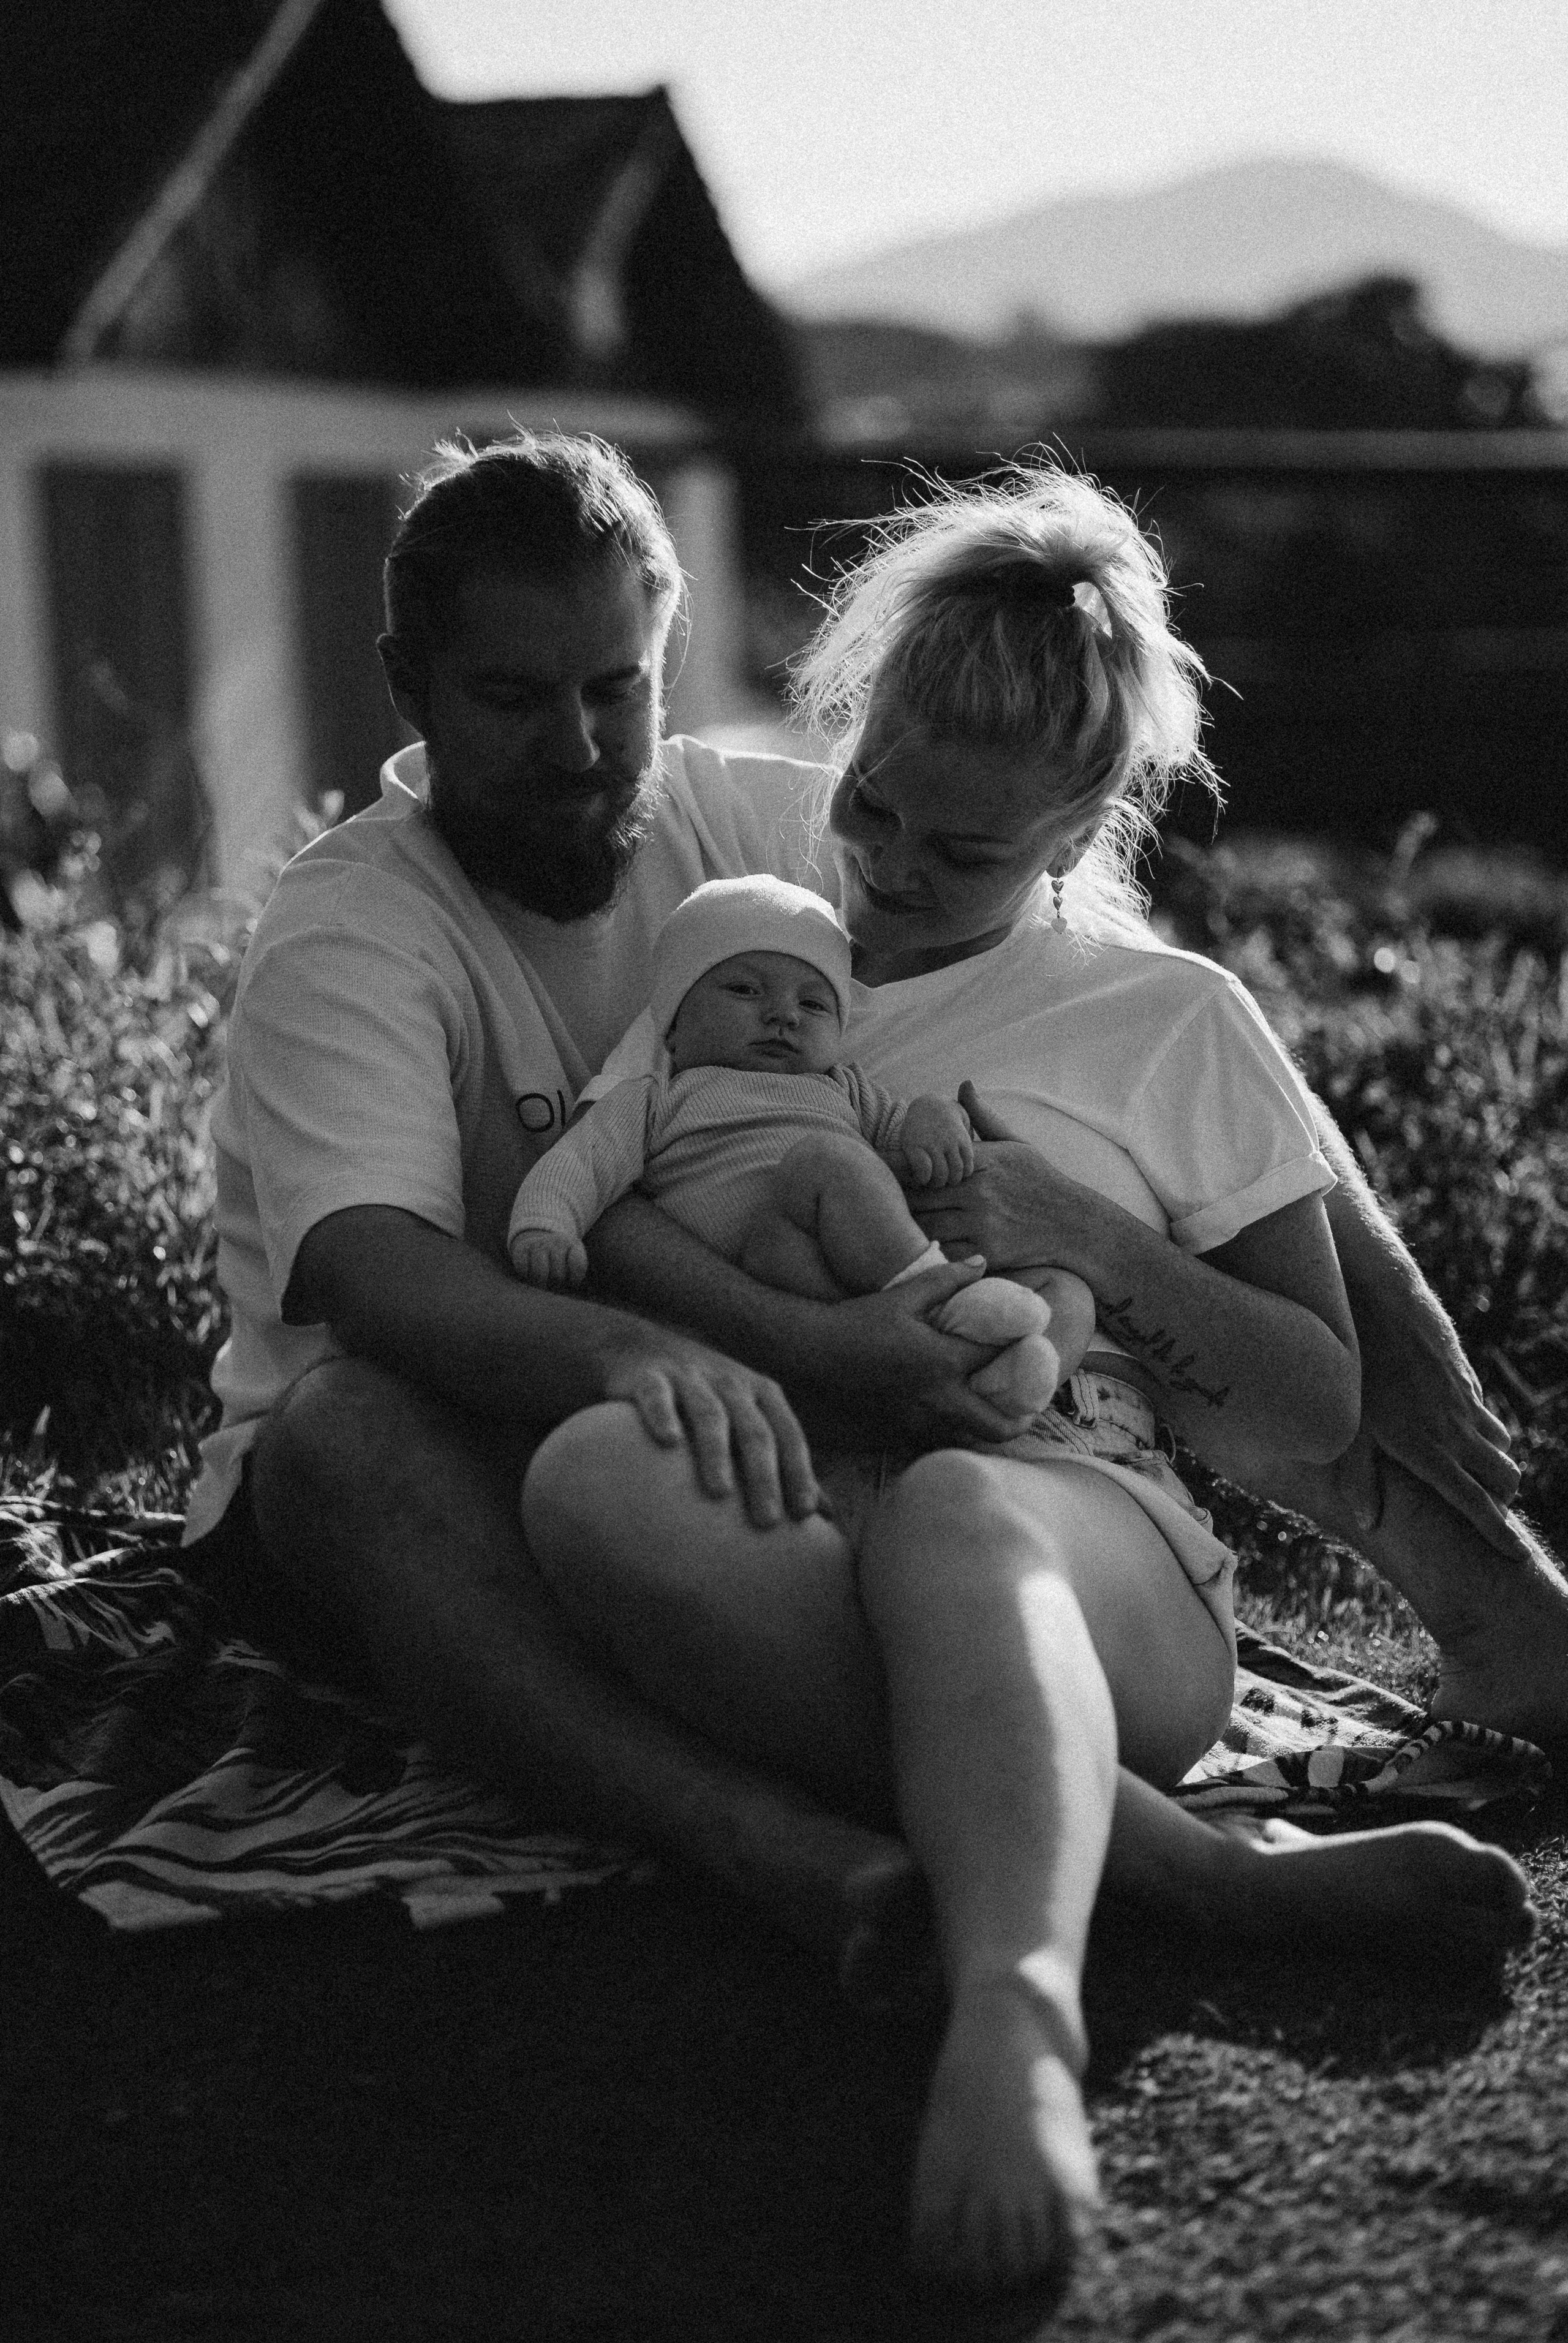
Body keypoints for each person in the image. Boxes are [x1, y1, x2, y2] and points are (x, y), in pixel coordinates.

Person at [184, 431, 1562, 1983]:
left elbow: (1118, 993)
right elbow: (373, 1280)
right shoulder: (357, 927)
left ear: (666, 658)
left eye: (612, 688)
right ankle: (843, 1852)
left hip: (744, 1424)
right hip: (429, 1437)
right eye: (512, 698)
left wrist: (1398, 1318)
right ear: (409, 682)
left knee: (761, 1508)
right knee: (345, 1437)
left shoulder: (780, 828)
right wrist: (664, 1356)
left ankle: (1460, 1626)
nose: (575, 745)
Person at [518, 466, 1540, 2290]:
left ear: (1078, 824)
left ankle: (1016, 2014)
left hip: (1092, 1546)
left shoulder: (1163, 1018)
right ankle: (1190, 1869)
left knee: (966, 1508)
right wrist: (820, 1344)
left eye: (961, 851)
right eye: (876, 808)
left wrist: (1102, 1242)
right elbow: (630, 1210)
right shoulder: (757, 965)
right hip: (836, 1509)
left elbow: (1304, 1403)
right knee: (587, 1480)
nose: (892, 872)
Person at [507, 871, 1085, 1421]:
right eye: (744, 989)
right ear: (674, 1028)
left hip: (851, 1270)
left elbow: (906, 1128)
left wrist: (937, 1119)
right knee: (826, 1159)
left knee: (1069, 1292)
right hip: (767, 1268)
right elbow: (580, 1163)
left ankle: (997, 1385)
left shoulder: (845, 1088)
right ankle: (945, 1308)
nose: (782, 1014)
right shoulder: (658, 1098)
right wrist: (544, 1228)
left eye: (813, 1004)